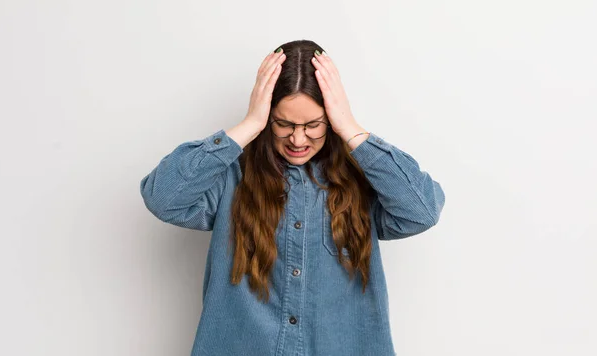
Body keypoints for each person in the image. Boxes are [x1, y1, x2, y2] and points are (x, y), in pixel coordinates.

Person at [140, 39, 445, 356]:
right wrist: (250, 124)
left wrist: (351, 129)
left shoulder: (365, 179)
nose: (298, 139)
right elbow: (163, 198)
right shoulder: (229, 177)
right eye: (283, 123)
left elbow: (421, 211)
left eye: (313, 124)